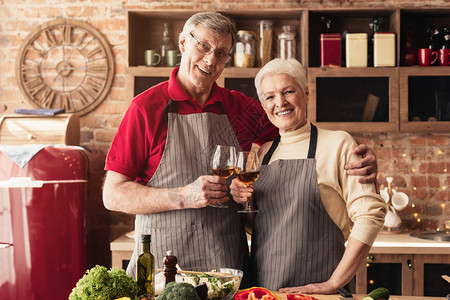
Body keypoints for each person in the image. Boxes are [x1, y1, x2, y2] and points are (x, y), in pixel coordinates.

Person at [102, 12, 378, 281]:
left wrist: (357, 162)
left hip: (228, 273)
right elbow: (113, 195)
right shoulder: (145, 109)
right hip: (164, 271)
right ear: (183, 43)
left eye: (221, 53)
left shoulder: (242, 108)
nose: (211, 60)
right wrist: (183, 196)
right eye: (204, 46)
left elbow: (295, 134)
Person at [230, 58, 387, 294]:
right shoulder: (263, 153)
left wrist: (334, 283)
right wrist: (244, 200)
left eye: (288, 91)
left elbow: (370, 215)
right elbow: (263, 227)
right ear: (263, 105)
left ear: (306, 93)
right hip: (266, 288)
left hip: (320, 290)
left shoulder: (339, 144)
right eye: (270, 97)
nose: (280, 102)